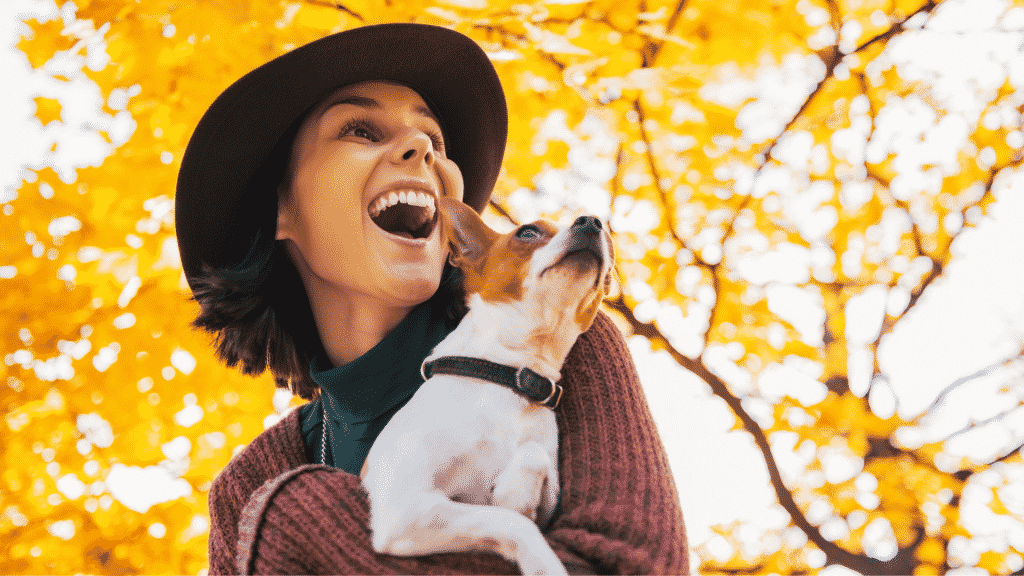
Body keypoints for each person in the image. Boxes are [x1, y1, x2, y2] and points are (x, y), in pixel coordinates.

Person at [175, 22, 689, 575]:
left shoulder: (559, 346)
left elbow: (633, 568)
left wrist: (307, 522)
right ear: (278, 208)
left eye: (435, 141)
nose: (421, 147)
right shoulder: (249, 489)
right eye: (360, 130)